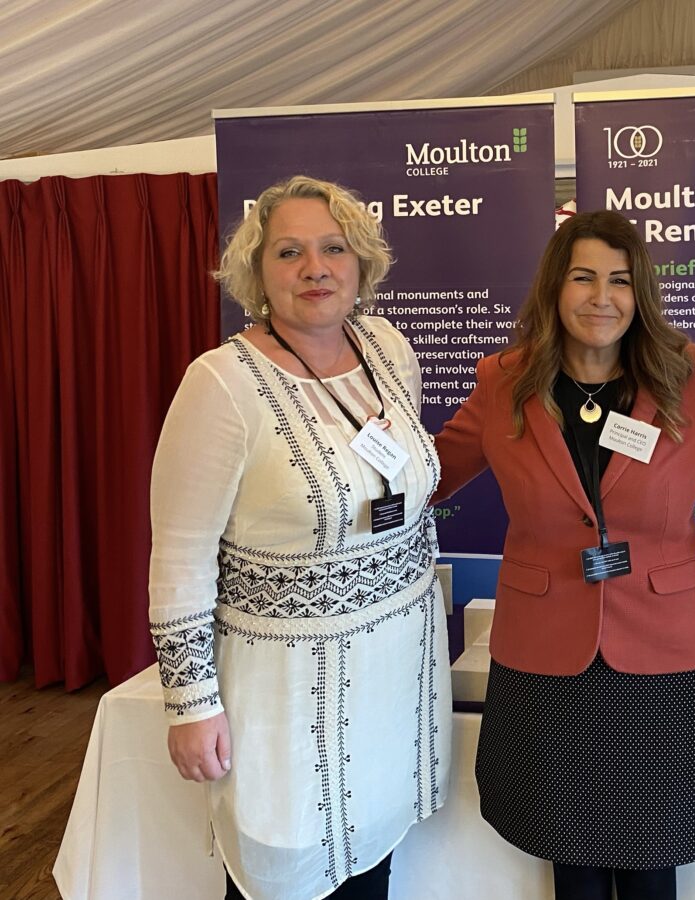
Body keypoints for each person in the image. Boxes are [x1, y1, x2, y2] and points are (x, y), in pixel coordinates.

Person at [148, 175, 450, 900]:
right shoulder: (221, 384)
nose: (315, 268)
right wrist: (191, 702)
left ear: (361, 264)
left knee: (372, 868)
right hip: (282, 700)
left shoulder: (386, 347)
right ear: (256, 273)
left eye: (332, 249)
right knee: (287, 871)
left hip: (394, 676)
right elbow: (180, 558)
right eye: (289, 252)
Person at [434, 210, 695, 900]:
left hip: (663, 654)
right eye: (584, 277)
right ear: (554, 287)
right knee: (567, 857)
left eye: (620, 280)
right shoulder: (504, 381)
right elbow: (427, 475)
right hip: (547, 654)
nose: (602, 296)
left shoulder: (689, 376)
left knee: (653, 857)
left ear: (641, 293)